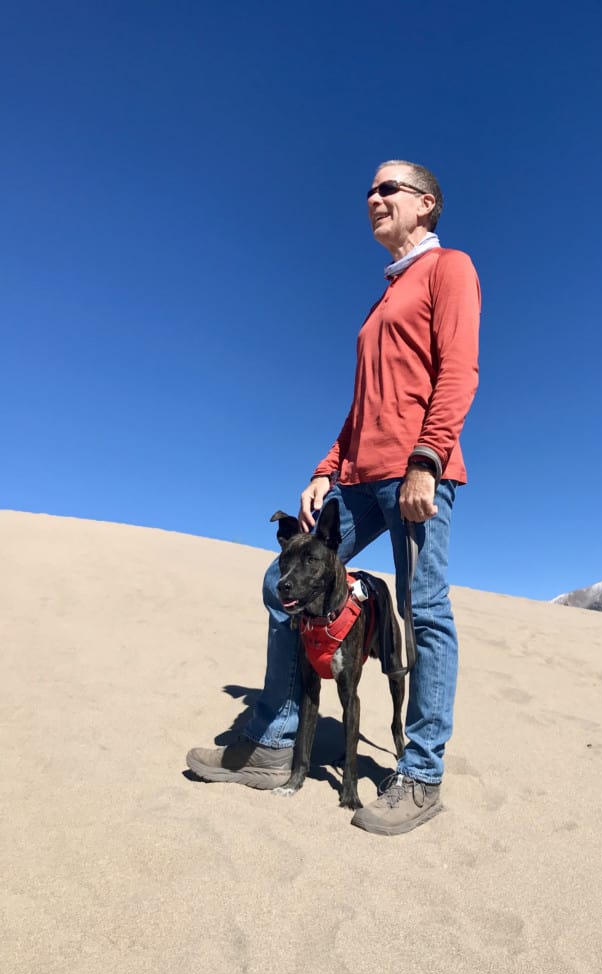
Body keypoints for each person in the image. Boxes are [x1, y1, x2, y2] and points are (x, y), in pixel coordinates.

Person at [187, 160, 481, 835]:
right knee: (280, 580)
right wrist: (327, 466)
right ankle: (274, 735)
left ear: (426, 204)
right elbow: (362, 407)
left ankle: (421, 772)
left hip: (415, 474)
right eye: (369, 191)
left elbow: (459, 370)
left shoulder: (450, 269)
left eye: (388, 189)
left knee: (423, 610)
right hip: (357, 478)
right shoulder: (382, 300)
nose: (373, 198)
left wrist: (427, 460)